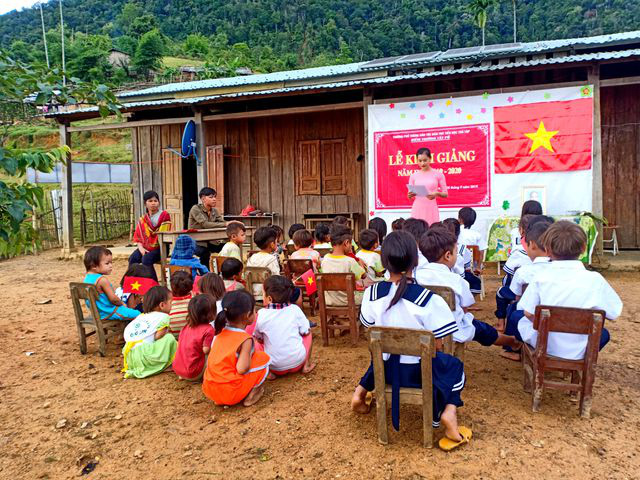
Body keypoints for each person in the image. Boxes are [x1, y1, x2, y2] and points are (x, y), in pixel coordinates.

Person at [351, 231, 471, 451]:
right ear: (415, 261)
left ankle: (360, 392)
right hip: (418, 374)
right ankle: (450, 412)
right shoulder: (429, 299)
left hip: (384, 370)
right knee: (455, 366)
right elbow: (438, 343)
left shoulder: (372, 294)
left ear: (384, 261)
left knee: (382, 355)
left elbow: (369, 329)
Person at [510, 221, 622, 360]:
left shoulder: (541, 278)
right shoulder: (595, 279)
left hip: (545, 344)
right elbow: (613, 312)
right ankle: (582, 361)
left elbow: (527, 312)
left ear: (547, 249)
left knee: (516, 316)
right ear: (583, 248)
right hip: (579, 348)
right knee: (603, 334)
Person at [416, 227, 520, 351]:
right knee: (484, 331)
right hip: (454, 328)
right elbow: (465, 308)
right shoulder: (457, 280)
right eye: (455, 251)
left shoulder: (416, 276)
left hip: (424, 326)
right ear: (448, 255)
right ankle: (511, 341)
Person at [202, 290, 271, 407]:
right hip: (230, 393)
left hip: (210, 390)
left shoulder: (219, 333)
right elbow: (242, 369)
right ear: (248, 315)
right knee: (262, 357)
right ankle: (253, 395)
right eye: (254, 310)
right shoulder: (245, 339)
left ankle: (222, 398)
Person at [502, 220, 553, 360]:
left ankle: (512, 348)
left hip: (536, 325)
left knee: (514, 310)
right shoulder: (566, 274)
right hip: (568, 332)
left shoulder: (523, 272)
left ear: (532, 245)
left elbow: (518, 299)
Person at [253, 276, 315, 377]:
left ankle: (268, 373)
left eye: (263, 293)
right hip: (297, 363)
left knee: (254, 340)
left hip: (274, 366)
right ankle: (306, 365)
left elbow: (258, 338)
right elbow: (305, 331)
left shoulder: (261, 314)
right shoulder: (295, 309)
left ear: (269, 299)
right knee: (308, 333)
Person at [121, 286, 178, 379]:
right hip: (146, 357)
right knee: (169, 338)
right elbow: (158, 337)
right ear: (162, 305)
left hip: (132, 359)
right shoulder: (163, 317)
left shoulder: (141, 316)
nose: (172, 305)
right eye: (171, 302)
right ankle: (164, 365)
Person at [495, 214, 534, 331]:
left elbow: (507, 271)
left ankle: (501, 323)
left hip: (520, 296)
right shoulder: (549, 257)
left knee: (501, 291)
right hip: (540, 299)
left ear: (521, 230)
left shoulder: (517, 253)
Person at [83, 246, 141, 321]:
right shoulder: (102, 280)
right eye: (107, 263)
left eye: (111, 262)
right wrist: (122, 304)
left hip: (97, 312)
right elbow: (113, 299)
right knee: (138, 314)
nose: (111, 266)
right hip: (109, 312)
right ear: (94, 266)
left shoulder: (87, 278)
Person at [129, 190, 172, 281]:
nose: (153, 203)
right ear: (145, 203)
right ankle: (131, 283)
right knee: (133, 258)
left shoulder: (164, 215)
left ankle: (153, 284)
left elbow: (162, 235)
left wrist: (149, 248)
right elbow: (138, 237)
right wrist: (141, 249)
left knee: (146, 259)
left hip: (161, 247)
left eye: (155, 201)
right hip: (145, 247)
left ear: (159, 203)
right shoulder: (143, 219)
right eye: (150, 201)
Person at [172, 294, 216, 382]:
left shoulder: (186, 327)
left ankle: (183, 375)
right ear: (210, 314)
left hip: (178, 369)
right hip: (194, 373)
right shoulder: (208, 329)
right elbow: (206, 350)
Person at [320, 224, 366, 306]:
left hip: (329, 300)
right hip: (348, 301)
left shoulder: (325, 259)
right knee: (367, 295)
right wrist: (360, 263)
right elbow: (363, 276)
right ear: (346, 243)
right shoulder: (350, 261)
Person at [407, 148, 448, 225]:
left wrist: (436, 193)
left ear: (430, 159)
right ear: (417, 160)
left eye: (425, 160)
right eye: (420, 161)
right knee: (417, 231)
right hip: (418, 208)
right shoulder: (413, 176)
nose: (422, 163)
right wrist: (410, 195)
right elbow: (410, 197)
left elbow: (445, 194)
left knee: (432, 231)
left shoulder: (438, 174)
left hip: (431, 208)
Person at [188, 187, 226, 268]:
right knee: (204, 252)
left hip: (211, 241)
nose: (214, 199)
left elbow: (222, 222)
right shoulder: (195, 208)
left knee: (226, 247)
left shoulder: (214, 211)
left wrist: (227, 224)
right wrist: (226, 224)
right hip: (196, 243)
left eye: (215, 197)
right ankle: (205, 275)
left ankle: (223, 272)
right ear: (203, 198)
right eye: (211, 197)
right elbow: (205, 224)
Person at [442, 218, 481, 295]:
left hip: (438, 276)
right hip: (456, 278)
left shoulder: (436, 245)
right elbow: (466, 268)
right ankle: (465, 302)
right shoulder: (462, 249)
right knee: (475, 282)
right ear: (459, 233)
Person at [246, 226, 281, 298]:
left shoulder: (251, 258)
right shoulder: (272, 259)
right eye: (276, 241)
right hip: (269, 295)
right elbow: (276, 278)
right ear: (272, 244)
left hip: (252, 293)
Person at [168, 270, 194, 337]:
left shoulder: (167, 306)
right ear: (191, 286)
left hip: (175, 341)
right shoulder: (195, 302)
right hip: (193, 339)